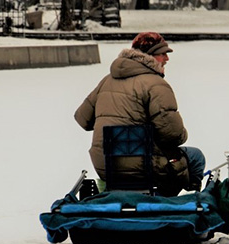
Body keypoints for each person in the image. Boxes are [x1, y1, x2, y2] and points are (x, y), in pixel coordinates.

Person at [74, 32, 205, 197]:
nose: (167, 59)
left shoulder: (106, 81)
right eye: (162, 54)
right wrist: (182, 134)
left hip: (107, 168)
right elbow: (173, 135)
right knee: (196, 157)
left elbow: (82, 119)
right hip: (145, 170)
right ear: (148, 56)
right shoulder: (156, 84)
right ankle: (179, 204)